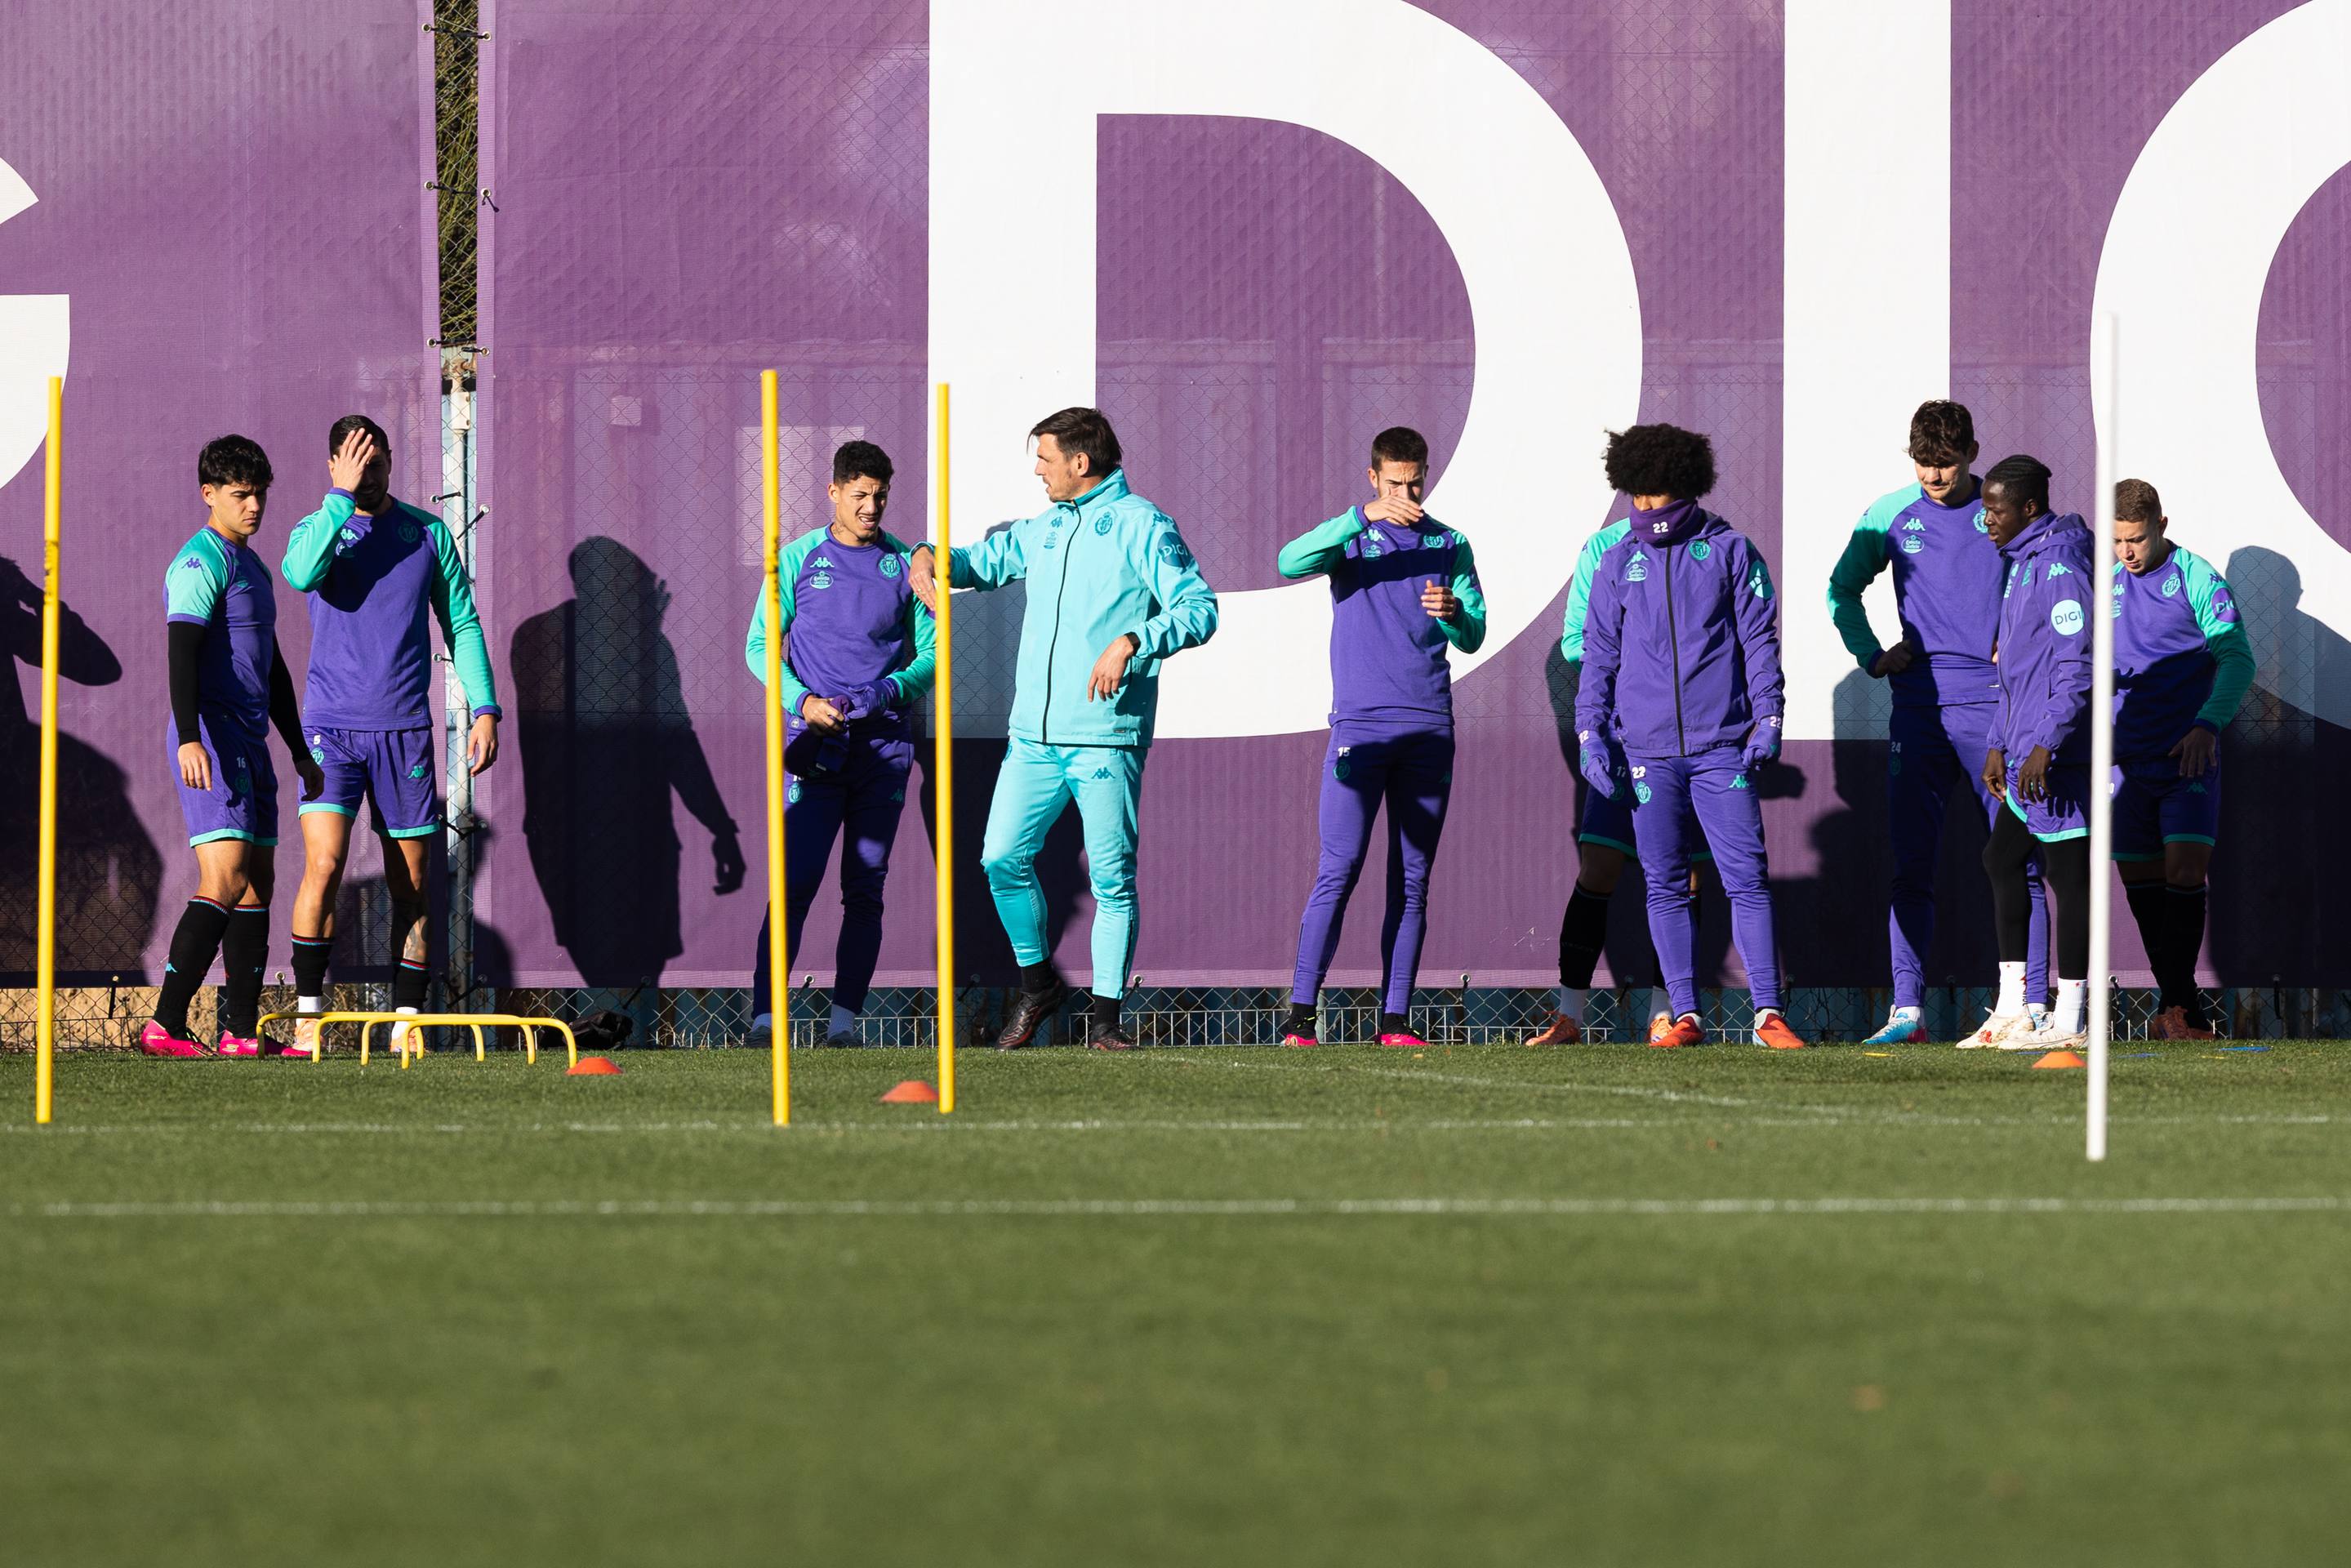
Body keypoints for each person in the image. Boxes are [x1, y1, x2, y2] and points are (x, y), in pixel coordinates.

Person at [908, 407, 1217, 1050]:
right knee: (1000, 858)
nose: (1038, 470)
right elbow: (976, 563)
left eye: (1045, 459)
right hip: (1033, 740)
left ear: (1080, 462)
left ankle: (1105, 1023)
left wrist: (1134, 639)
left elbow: (1199, 608)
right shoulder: (1044, 528)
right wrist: (926, 556)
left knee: (1111, 882)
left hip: (1105, 735)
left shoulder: (1143, 526)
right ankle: (1039, 985)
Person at [1573, 424, 1806, 1049]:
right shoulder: (1617, 562)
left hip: (1719, 747)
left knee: (1745, 878)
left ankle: (1767, 1016)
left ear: (1684, 485)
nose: (1644, 507)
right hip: (1646, 752)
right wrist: (1590, 733)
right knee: (1664, 883)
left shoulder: (1730, 551)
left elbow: (1759, 642)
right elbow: (1598, 656)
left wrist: (1769, 717)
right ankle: (1682, 1015)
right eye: (1634, 494)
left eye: (1654, 493)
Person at [1828, 401, 2049, 1043]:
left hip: (1995, 710)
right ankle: (1906, 1012)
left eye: (1946, 465)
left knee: (2018, 861)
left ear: (1972, 453)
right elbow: (1840, 589)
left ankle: (2030, 1006)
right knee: (1911, 864)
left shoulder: (2001, 512)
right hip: (1919, 710)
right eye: (1923, 463)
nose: (1934, 476)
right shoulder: (1888, 516)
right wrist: (1871, 654)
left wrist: (2021, 640)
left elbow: (2050, 583)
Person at [279, 416, 501, 1058]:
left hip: (403, 731)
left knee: (412, 882)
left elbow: (461, 620)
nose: (369, 472)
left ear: (393, 462)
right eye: (355, 463)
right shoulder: (317, 527)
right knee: (323, 864)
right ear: (333, 467)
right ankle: (309, 1016)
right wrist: (339, 500)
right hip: (330, 730)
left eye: (377, 461)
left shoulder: (425, 533)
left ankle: (407, 1018)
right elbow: (299, 574)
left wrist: (484, 707)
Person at [1272, 426, 1485, 1049]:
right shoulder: (1351, 537)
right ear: (1373, 479)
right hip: (1360, 731)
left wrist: (1455, 614)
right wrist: (1358, 518)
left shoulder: (1450, 542)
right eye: (1394, 482)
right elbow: (1288, 562)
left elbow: (1473, 634)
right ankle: (1300, 1018)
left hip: (1428, 729)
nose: (1405, 492)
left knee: (1412, 878)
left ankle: (1393, 1020)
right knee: (1337, 869)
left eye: (1414, 481)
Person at [743, 439, 936, 1048]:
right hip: (814, 748)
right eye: (859, 496)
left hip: (883, 751)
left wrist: (888, 690)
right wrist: (802, 700)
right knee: (795, 883)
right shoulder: (797, 558)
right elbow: (757, 648)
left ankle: (844, 1025)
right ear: (832, 492)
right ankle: (765, 1019)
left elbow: (933, 655)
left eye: (880, 496)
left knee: (865, 886)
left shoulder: (906, 564)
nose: (871, 507)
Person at [144, 436, 323, 1056]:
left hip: (249, 739)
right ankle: (164, 1025)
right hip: (211, 734)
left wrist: (298, 749)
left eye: (260, 494)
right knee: (223, 877)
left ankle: (240, 1034)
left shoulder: (255, 569)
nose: (254, 506)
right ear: (210, 494)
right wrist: (190, 736)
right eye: (241, 495)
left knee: (258, 885)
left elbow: (271, 669)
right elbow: (182, 649)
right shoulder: (200, 560)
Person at [1525, 516, 1692, 1046]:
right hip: (1623, 730)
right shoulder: (1604, 546)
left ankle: (1667, 1015)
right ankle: (1568, 1015)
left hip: (1687, 730)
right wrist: (1634, 655)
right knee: (1599, 867)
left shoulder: (1707, 545)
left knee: (1683, 876)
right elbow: (1575, 640)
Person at [2109, 478, 2254, 1040]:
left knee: (2184, 873)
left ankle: (2178, 1010)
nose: (2127, 552)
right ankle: (2178, 1011)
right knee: (2142, 884)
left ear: (2160, 527)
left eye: (2137, 540)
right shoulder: (2105, 585)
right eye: (2119, 541)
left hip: (2186, 762)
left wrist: (2205, 725)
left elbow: (2236, 660)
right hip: (2125, 763)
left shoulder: (2195, 577)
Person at [1971, 455, 2093, 1049]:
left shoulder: (2062, 567)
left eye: (1994, 507)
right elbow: (2016, 671)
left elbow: (2075, 666)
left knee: (2068, 876)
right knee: (1999, 859)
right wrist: (1998, 742)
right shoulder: (2021, 564)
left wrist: (2048, 740)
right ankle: (2013, 1007)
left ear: (2027, 508)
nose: (1984, 517)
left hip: (2056, 753)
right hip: (2021, 749)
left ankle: (2069, 1018)